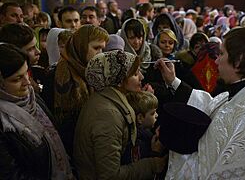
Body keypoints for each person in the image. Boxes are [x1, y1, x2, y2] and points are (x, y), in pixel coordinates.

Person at [155, 26, 245, 179]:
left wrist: (173, 143)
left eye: (222, 54)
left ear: (238, 61)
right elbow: (213, 107)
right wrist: (173, 81)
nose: (216, 60)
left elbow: (207, 169)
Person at [73, 50, 167, 179]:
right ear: (118, 79)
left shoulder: (105, 99)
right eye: (135, 74)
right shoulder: (108, 116)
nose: (141, 77)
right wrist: (152, 164)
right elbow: (110, 176)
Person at [0, 43, 73, 179]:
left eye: (26, 73)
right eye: (17, 79)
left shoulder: (32, 97)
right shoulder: (4, 123)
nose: (27, 82)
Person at [51, 25, 108, 157]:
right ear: (81, 46)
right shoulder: (58, 73)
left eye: (102, 49)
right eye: (96, 48)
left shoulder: (91, 71)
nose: (100, 53)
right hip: (67, 146)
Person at [126, 91, 161, 162]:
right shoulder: (135, 145)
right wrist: (155, 152)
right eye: (153, 113)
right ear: (140, 118)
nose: (157, 115)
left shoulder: (145, 133)